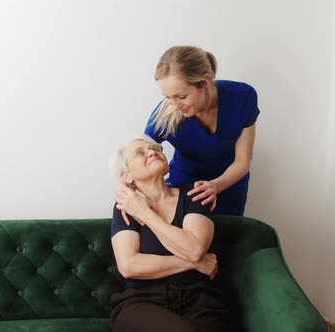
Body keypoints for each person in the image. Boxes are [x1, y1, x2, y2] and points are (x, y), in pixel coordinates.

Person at [109, 134, 235, 332]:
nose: (152, 152)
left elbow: (194, 249)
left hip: (200, 299)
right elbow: (129, 266)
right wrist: (196, 263)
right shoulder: (123, 208)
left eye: (155, 149)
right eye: (140, 153)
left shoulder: (193, 196)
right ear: (127, 176)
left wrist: (145, 213)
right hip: (142, 301)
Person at [144, 45, 260, 216]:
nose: (175, 105)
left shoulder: (242, 97)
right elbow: (138, 155)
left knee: (225, 238)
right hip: (183, 186)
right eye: (168, 97)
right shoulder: (165, 114)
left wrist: (216, 186)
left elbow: (242, 162)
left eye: (181, 96)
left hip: (229, 184)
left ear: (205, 82)